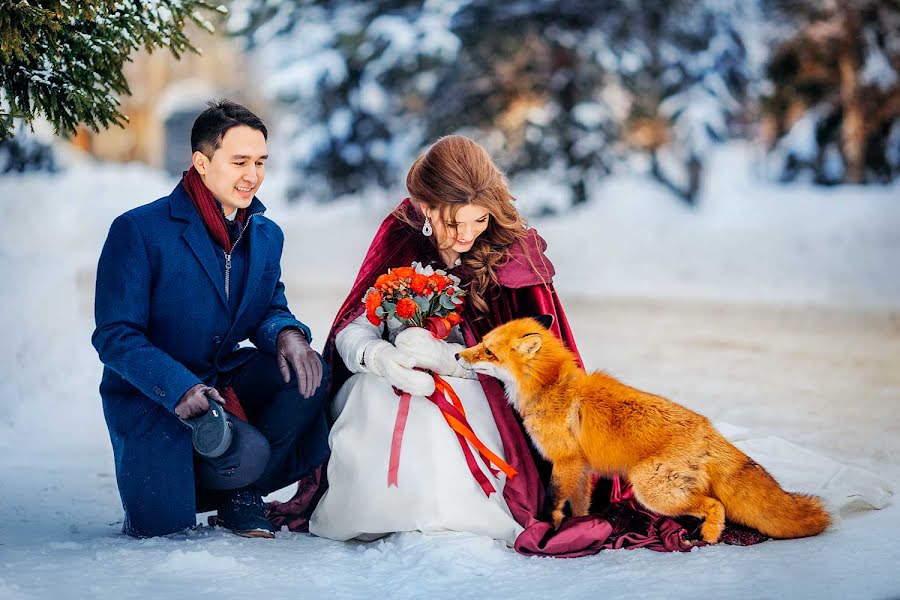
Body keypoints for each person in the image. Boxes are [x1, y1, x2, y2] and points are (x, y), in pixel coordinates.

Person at [268, 135, 713, 554]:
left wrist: (448, 359)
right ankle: (366, 509)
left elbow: (534, 362)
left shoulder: (509, 251)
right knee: (373, 397)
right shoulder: (400, 234)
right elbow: (356, 321)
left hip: (479, 388)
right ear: (425, 207)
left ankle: (454, 514)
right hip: (385, 379)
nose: (467, 235)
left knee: (438, 414)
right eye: (453, 222)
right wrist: (376, 356)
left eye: (479, 220)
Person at [92, 100, 330, 539]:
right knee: (164, 531)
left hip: (225, 378)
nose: (252, 175)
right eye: (239, 161)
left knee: (307, 372)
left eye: (260, 162)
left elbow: (268, 306)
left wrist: (288, 336)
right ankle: (215, 479)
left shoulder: (265, 233)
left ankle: (241, 492)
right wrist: (180, 387)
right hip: (156, 396)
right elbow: (114, 335)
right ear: (201, 163)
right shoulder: (139, 230)